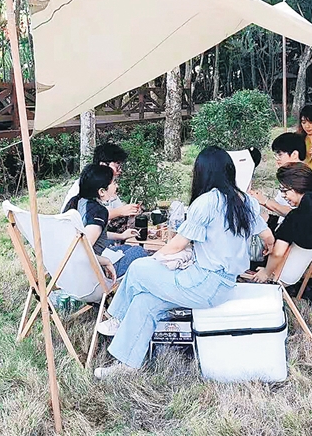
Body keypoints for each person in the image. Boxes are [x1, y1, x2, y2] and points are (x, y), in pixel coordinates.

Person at [93, 146, 274, 378]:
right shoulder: (245, 200)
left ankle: (117, 317)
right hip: (224, 284)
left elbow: (178, 245)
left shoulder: (207, 202)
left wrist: (154, 262)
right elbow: (268, 237)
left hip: (203, 284)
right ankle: (128, 364)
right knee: (145, 302)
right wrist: (267, 250)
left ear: (202, 172)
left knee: (138, 268)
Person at [253, 163, 312, 283]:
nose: (283, 196)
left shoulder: (294, 219)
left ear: (297, 187)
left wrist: (266, 272)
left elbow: (278, 253)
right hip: (311, 254)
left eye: (284, 191)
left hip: (283, 275)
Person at [63, 164, 147, 277]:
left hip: (67, 269)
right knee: (139, 251)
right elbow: (80, 253)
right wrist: (105, 261)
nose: (116, 186)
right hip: (92, 272)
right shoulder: (98, 212)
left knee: (127, 248)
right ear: (102, 191)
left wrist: (121, 236)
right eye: (113, 182)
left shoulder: (77, 202)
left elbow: (90, 234)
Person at [61, 143, 141, 227]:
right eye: (117, 165)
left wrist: (130, 211)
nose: (120, 170)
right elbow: (82, 217)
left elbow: (118, 210)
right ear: (103, 165)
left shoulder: (110, 187)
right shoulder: (84, 184)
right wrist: (120, 212)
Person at [248, 131, 307, 218]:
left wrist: (265, 201)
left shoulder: (303, 178)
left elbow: (296, 214)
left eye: (280, 155)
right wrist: (259, 198)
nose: (277, 159)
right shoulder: (290, 176)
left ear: (294, 154)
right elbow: (279, 205)